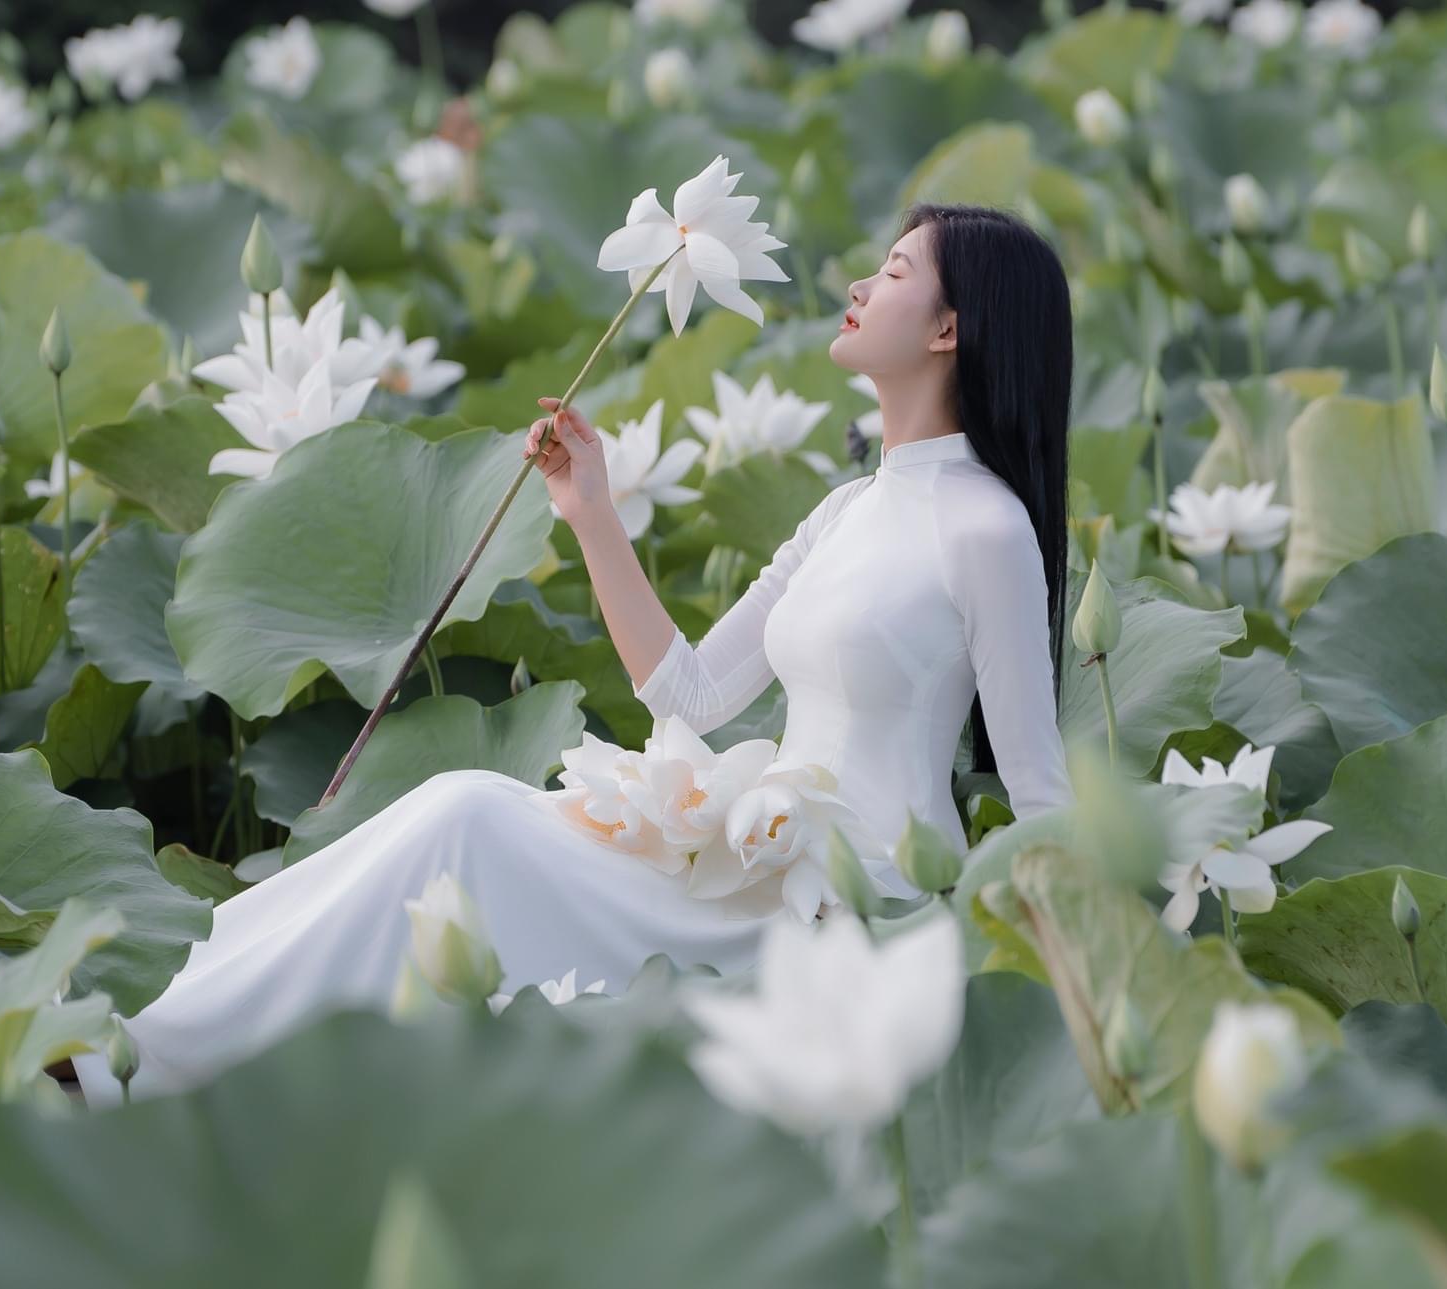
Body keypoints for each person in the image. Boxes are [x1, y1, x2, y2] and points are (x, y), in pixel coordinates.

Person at [66, 202, 1076, 1106]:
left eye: (893, 274)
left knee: (468, 823)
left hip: (850, 917)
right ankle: (154, 1038)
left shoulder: (983, 528)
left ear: (948, 329)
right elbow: (693, 693)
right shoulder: (843, 508)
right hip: (742, 855)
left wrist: (1083, 991)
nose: (858, 285)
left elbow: (1037, 786)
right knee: (457, 808)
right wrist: (588, 512)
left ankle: (148, 1064)